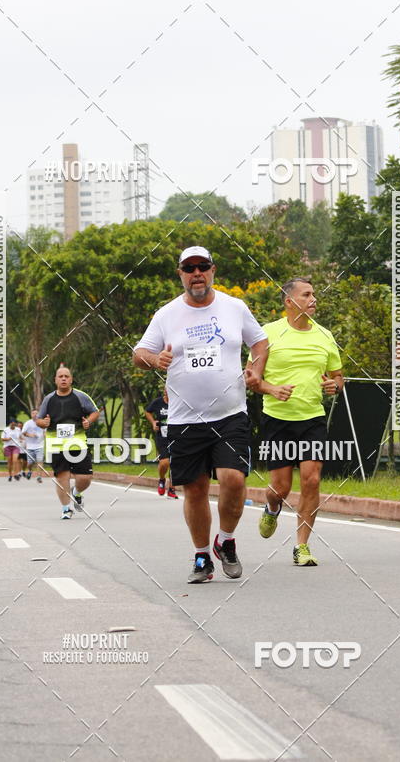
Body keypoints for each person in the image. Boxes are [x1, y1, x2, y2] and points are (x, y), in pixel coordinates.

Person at [133, 246, 268, 584]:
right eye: (188, 268)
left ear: (212, 270)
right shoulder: (167, 314)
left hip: (230, 413)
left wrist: (255, 369)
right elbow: (139, 353)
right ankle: (201, 556)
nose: (196, 273)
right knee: (194, 490)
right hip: (184, 419)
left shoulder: (234, 308)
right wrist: (155, 361)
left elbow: (261, 343)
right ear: (180, 274)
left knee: (234, 479)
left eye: (202, 267)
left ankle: (226, 539)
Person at [251, 278, 343, 566]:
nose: (313, 299)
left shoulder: (325, 336)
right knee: (281, 488)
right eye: (306, 295)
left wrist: (335, 386)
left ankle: (302, 546)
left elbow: (338, 376)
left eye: (314, 294)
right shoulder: (268, 334)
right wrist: (271, 389)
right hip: (277, 419)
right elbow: (251, 378)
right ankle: (271, 506)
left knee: (312, 480)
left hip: (312, 418)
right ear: (289, 302)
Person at [36, 366, 100, 519]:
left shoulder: (80, 396)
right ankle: (66, 509)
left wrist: (88, 422)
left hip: (77, 442)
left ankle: (76, 492)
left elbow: (95, 411)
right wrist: (43, 423)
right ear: (55, 380)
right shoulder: (49, 399)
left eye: (66, 376)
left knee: (84, 477)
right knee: (62, 477)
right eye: (60, 376)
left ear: (71, 379)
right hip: (55, 443)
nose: (63, 379)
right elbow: (39, 419)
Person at [144, 390, 178, 498]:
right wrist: (153, 422)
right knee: (165, 462)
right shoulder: (158, 402)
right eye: (166, 391)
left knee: (175, 462)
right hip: (162, 437)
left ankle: (172, 489)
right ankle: (162, 479)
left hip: (176, 436)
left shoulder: (178, 403)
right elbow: (147, 411)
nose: (167, 393)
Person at [22, 409, 45, 483]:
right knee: (30, 463)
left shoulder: (42, 422)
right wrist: (30, 435)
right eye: (33, 413)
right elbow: (23, 433)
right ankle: (30, 471)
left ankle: (39, 476)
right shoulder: (28, 423)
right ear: (31, 415)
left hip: (40, 445)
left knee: (40, 460)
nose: (35, 415)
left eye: (36, 413)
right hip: (30, 446)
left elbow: (45, 432)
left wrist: (45, 436)